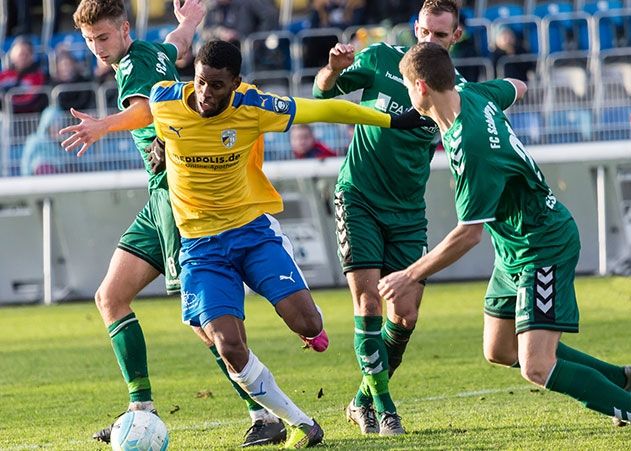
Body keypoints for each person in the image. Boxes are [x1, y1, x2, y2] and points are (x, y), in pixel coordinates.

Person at [147, 39, 432, 448]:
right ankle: (299, 422)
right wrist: (152, 143)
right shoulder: (165, 99)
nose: (206, 94)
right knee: (228, 344)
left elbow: (327, 108)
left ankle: (308, 327)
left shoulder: (255, 106)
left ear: (236, 83)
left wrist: (392, 121)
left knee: (309, 324)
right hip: (200, 246)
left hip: (251, 232)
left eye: (217, 86)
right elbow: (143, 116)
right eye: (201, 82)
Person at [57, 0, 293, 447]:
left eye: (103, 38)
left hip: (177, 197)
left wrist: (102, 126)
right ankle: (140, 409)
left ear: (125, 29)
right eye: (90, 41)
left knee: (203, 321)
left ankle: (264, 412)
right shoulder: (149, 52)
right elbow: (175, 44)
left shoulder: (134, 66)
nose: (97, 49)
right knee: (111, 296)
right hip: (159, 195)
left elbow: (148, 111)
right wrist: (189, 22)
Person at [380, 41, 631, 427]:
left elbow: (468, 235)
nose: (405, 91)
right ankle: (621, 381)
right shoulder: (470, 93)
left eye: (406, 84)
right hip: (513, 245)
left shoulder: (472, 146)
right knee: (499, 348)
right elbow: (518, 86)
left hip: (541, 245)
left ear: (422, 88)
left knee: (537, 366)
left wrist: (409, 274)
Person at [312, 0, 463, 436]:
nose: (429, 41)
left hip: (408, 212)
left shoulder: (454, 88)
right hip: (358, 196)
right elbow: (324, 93)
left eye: (439, 35)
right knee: (369, 303)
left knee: (407, 314)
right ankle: (385, 408)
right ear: (413, 28)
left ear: (454, 37)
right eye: (424, 32)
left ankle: (361, 399)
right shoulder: (380, 59)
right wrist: (334, 68)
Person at [0, 36, 48, 114]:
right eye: (20, 54)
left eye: (26, 54)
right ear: (12, 55)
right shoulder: (3, 75)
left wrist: (5, 101)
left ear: (32, 56)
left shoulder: (38, 76)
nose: (23, 57)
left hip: (27, 118)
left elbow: (30, 101)